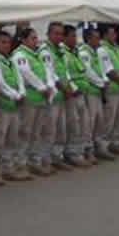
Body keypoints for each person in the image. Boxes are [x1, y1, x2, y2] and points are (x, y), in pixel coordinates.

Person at [13, 28, 55, 176]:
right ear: (23, 40)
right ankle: (20, 163)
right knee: (25, 132)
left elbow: (47, 70)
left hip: (41, 98)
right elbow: (27, 73)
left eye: (36, 38)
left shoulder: (35, 54)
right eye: (32, 38)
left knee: (37, 132)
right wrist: (42, 87)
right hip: (30, 98)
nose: (36, 41)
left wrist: (49, 86)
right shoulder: (20, 55)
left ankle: (34, 161)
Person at [0, 30, 32, 182]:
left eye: (8, 42)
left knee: (12, 139)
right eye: (3, 42)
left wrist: (21, 92)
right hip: (2, 105)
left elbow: (19, 78)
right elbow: (0, 83)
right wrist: (15, 95)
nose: (6, 45)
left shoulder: (10, 60)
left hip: (15, 106)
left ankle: (8, 168)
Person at [38, 23, 75, 171]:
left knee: (61, 129)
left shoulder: (59, 50)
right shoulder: (45, 51)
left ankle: (56, 157)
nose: (59, 36)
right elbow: (50, 72)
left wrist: (70, 87)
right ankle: (45, 160)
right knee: (49, 130)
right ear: (48, 34)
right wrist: (64, 87)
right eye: (56, 33)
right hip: (53, 96)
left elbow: (64, 71)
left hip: (62, 96)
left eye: (61, 34)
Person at [78, 27, 114, 161]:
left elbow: (103, 68)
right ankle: (88, 150)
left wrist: (105, 80)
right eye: (96, 38)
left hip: (99, 91)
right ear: (88, 39)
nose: (99, 40)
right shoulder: (84, 53)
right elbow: (88, 72)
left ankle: (99, 147)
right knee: (90, 122)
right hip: (91, 91)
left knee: (100, 120)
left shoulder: (97, 51)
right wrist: (101, 83)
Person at [62, 24, 94, 167]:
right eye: (72, 36)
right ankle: (73, 153)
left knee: (83, 124)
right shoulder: (64, 54)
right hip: (72, 94)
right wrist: (74, 89)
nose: (75, 39)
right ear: (65, 37)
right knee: (74, 124)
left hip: (82, 92)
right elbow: (65, 74)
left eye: (76, 36)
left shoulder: (75, 52)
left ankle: (81, 151)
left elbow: (83, 71)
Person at [97, 25, 119, 155]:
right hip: (111, 88)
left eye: (115, 34)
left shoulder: (115, 48)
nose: (115, 36)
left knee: (118, 118)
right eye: (111, 34)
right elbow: (108, 70)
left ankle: (114, 143)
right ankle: (102, 146)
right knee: (109, 119)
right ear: (105, 35)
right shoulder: (103, 49)